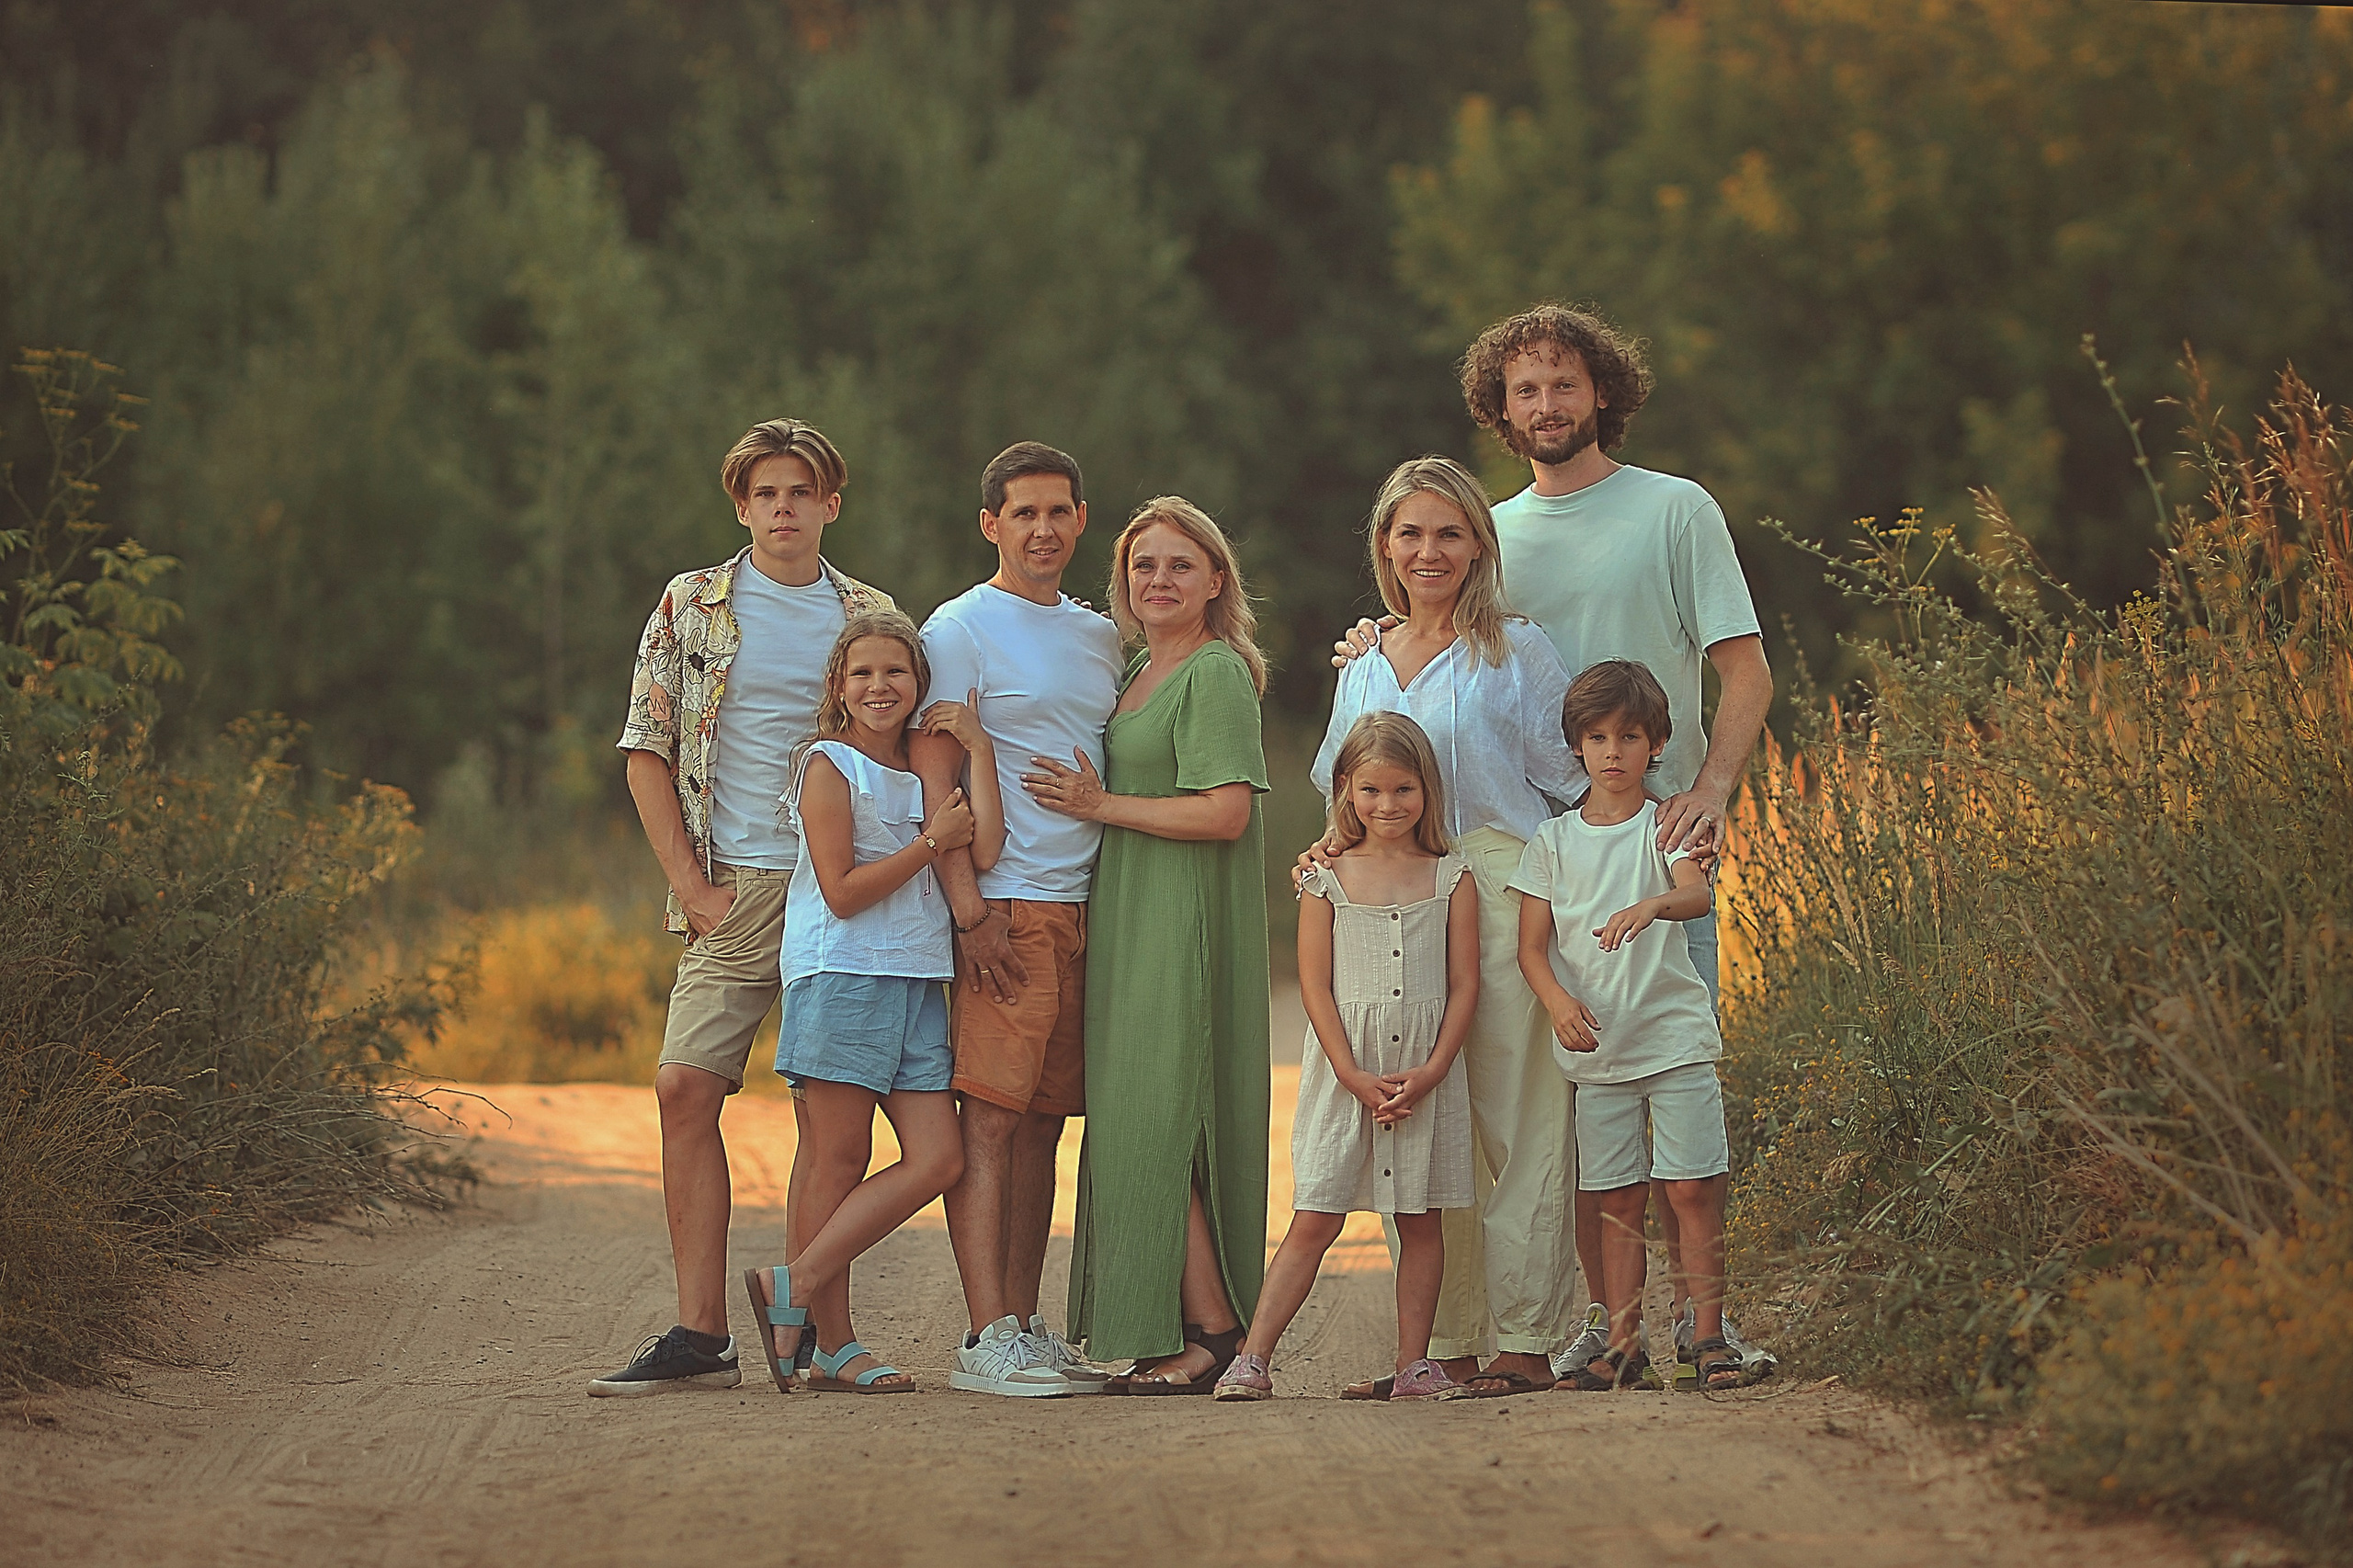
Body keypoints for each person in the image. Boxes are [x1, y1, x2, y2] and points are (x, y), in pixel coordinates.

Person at [1337, 304, 1776, 1385]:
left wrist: (1709, 790)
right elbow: (1432, 647)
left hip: (1659, 842)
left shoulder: (1674, 509)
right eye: (1524, 389)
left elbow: (1745, 670)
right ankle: (1603, 1323)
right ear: (1498, 406)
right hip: (1549, 856)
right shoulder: (1486, 531)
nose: (1546, 405)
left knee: (1675, 1081)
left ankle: (1705, 1326)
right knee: (1578, 1104)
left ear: (1603, 391)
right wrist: (1368, 637)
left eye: (1564, 384)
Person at [593, 419, 891, 1398]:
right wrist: (691, 886)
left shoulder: (870, 612)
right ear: (741, 505)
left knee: (830, 1116)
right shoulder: (693, 604)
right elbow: (648, 745)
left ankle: (816, 1330)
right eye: (764, 493)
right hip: (741, 885)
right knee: (685, 1084)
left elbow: (902, 748)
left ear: (829, 504)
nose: (782, 509)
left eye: (800, 492)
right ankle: (700, 1329)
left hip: (841, 886)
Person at [1306, 456, 1581, 1397]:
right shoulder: (1365, 661)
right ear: (1385, 546)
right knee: (1418, 1120)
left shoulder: (1519, 649)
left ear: (1478, 544)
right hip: (1395, 897)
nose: (1430, 551)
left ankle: (1522, 1337)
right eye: (1410, 533)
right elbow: (1339, 788)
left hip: (1502, 886)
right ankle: (1443, 1342)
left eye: (1449, 532)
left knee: (1515, 1118)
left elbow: (1572, 780)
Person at [1025, 496, 1270, 1392]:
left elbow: (1226, 810)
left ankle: (1207, 1331)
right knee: (1133, 1118)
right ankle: (1195, 1321)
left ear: (1214, 579)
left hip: (1183, 915)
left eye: (1178, 564)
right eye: (1142, 565)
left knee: (1162, 1119)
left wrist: (1099, 807)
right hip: (1128, 910)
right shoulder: (1135, 665)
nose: (1156, 579)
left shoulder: (1215, 673)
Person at [910, 442, 1125, 1396]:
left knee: (1045, 1124)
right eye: (1022, 513)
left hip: (1088, 902)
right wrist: (969, 912)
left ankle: (1027, 1325)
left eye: (1060, 512)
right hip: (1006, 903)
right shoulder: (958, 627)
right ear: (990, 523)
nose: (1043, 529)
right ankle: (981, 1335)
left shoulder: (1098, 633)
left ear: (1082, 520)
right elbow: (935, 772)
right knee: (991, 1122)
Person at [742, 612, 993, 1394]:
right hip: (840, 975)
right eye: (862, 674)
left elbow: (977, 850)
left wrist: (973, 757)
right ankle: (834, 1345)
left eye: (895, 673)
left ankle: (797, 1283)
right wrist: (929, 842)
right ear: (838, 688)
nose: (880, 687)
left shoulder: (925, 772)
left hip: (917, 980)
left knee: (940, 1159)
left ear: (918, 684)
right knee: (837, 1159)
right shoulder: (829, 766)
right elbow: (843, 894)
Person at [1216, 713, 1478, 1403]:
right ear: (1344, 791)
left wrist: (1433, 1070)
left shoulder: (1452, 877)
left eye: (1403, 789)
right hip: (1347, 1076)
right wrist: (1350, 1073)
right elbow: (1314, 986)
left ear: (1428, 791)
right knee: (1316, 1215)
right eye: (1371, 790)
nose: (1387, 805)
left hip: (1425, 1075)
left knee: (1422, 1222)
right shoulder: (1325, 880)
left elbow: (1464, 985)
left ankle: (1414, 1365)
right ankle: (1252, 1359)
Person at [1510, 659, 1740, 1391]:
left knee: (1691, 1186)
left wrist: (1651, 906)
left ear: (1657, 744)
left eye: (1631, 736)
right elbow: (1530, 946)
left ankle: (1706, 1334)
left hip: (1672, 1041)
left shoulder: (1663, 825)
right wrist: (1556, 1002)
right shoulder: (1552, 843)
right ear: (1576, 745)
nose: (1614, 752)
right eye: (1599, 737)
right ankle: (1623, 1342)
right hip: (1599, 1050)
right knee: (1615, 1196)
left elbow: (1695, 895)